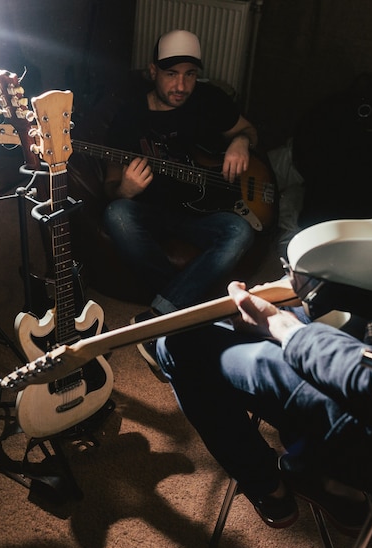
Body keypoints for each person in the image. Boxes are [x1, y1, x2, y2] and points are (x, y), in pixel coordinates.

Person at [155, 278, 372, 534]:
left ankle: (270, 488)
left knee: (177, 345)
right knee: (295, 301)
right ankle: (330, 480)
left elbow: (368, 380)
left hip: (364, 408)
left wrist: (284, 329)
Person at [102, 29, 257, 370]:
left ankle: (158, 316)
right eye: (171, 74)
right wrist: (125, 190)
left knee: (241, 231)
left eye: (190, 75)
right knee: (117, 214)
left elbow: (249, 130)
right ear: (153, 71)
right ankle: (182, 311)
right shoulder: (130, 117)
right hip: (150, 211)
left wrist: (240, 143)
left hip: (203, 214)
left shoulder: (210, 99)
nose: (181, 86)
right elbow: (111, 186)